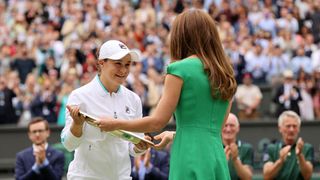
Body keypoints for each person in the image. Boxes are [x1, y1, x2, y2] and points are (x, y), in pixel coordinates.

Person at [95, 9, 237, 180]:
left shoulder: (180, 69)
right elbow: (213, 130)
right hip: (216, 157)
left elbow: (157, 122)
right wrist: (173, 134)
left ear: (181, 36)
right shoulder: (226, 75)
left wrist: (115, 124)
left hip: (189, 155)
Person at [62, 40, 150, 180]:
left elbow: (132, 149)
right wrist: (77, 124)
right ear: (101, 63)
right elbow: (68, 144)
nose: (124, 70)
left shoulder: (134, 99)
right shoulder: (79, 95)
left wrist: (140, 146)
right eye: (118, 64)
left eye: (127, 65)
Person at [263, 110, 314, 180]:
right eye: (288, 126)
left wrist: (300, 155)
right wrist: (280, 161)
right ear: (280, 128)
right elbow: (266, 176)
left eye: (295, 126)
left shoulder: (307, 148)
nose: (291, 130)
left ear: (299, 128)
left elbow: (308, 176)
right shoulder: (271, 148)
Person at [222, 113, 253, 180]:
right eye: (225, 125)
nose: (228, 129)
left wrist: (235, 159)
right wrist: (223, 161)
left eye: (232, 125)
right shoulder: (214, 148)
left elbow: (247, 177)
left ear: (238, 128)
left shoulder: (246, 148)